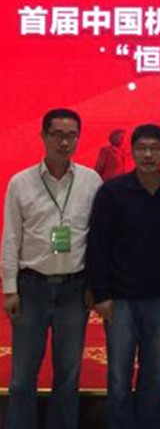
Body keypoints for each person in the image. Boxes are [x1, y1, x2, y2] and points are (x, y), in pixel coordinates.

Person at [1, 108, 102, 429]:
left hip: (75, 289)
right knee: (22, 378)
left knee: (68, 376)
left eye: (71, 135)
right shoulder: (21, 182)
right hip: (31, 288)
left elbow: (98, 238)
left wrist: (95, 286)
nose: (64, 142)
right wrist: (9, 289)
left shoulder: (91, 181)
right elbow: (11, 236)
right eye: (57, 134)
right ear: (44, 136)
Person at [86, 124, 160, 429]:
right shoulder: (112, 192)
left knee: (154, 375)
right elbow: (98, 244)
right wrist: (101, 294)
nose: (148, 154)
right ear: (132, 152)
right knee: (118, 375)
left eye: (155, 148)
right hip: (120, 300)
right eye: (142, 148)